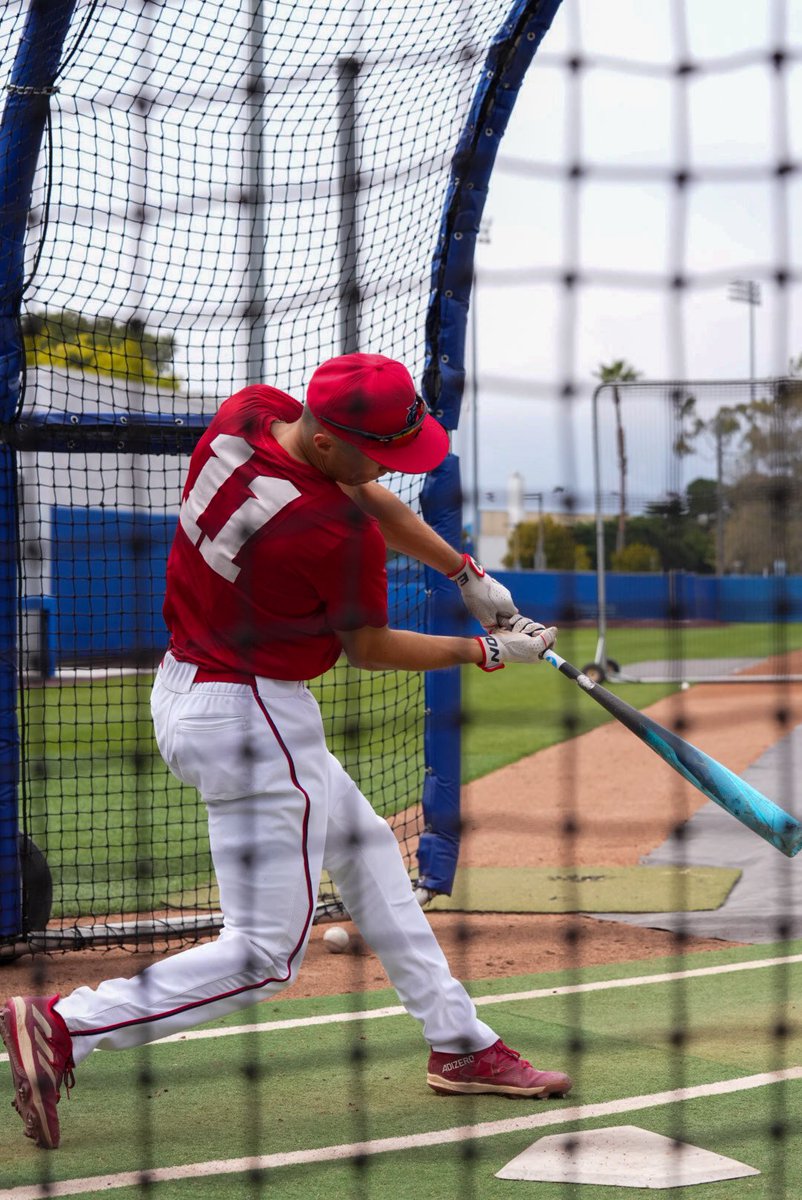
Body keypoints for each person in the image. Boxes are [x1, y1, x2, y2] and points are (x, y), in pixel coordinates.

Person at [1, 352, 571, 1150]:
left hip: (189, 686)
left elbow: (362, 487)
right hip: (252, 720)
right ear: (332, 441)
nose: (389, 470)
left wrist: (462, 569)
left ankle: (460, 1044)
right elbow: (367, 646)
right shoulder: (327, 535)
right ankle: (66, 1026)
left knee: (368, 846)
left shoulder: (251, 413)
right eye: (379, 451)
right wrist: (481, 652)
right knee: (267, 955)